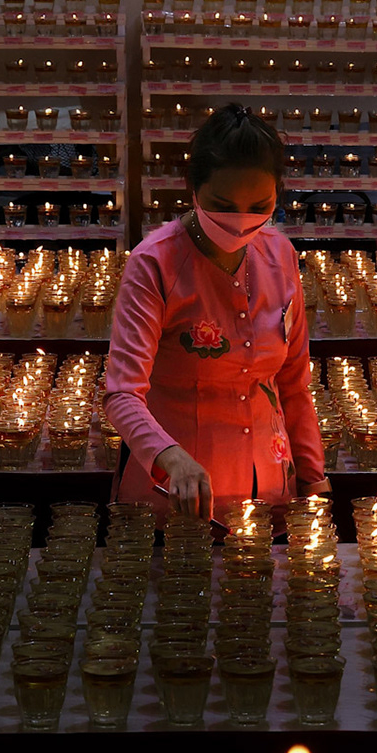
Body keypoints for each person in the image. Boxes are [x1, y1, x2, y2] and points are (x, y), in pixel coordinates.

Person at [103, 104, 327, 520]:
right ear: (191, 188)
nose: (241, 223)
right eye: (223, 205)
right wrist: (170, 457)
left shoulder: (281, 256)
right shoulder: (155, 263)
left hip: (269, 491)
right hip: (174, 495)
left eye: (259, 206)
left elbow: (294, 384)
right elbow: (121, 393)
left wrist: (315, 479)